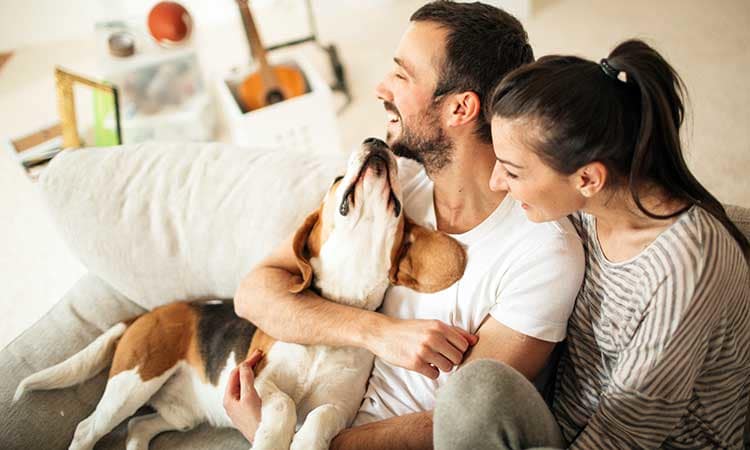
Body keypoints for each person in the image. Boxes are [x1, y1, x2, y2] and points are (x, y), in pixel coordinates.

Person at [225, 1, 585, 449]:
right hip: (308, 408)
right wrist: (378, 333)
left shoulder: (543, 253)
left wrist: (291, 439)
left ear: (460, 109)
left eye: (402, 75)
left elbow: (460, 422)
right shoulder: (395, 180)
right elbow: (254, 292)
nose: (380, 87)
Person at [433, 39, 750, 449]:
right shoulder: (588, 205)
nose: (497, 183)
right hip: (566, 416)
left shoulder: (686, 265)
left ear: (587, 179)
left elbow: (626, 435)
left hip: (629, 441)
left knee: (472, 395)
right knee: (475, 388)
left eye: (511, 171)